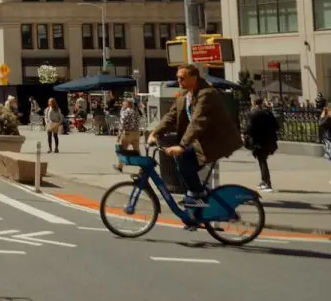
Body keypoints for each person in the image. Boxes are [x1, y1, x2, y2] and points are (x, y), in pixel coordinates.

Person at [149, 65, 241, 207]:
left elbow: (198, 122)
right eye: (178, 77)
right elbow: (171, 116)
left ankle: (198, 195)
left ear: (194, 78)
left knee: (183, 158)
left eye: (182, 78)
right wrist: (155, 133)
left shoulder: (207, 94)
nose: (179, 81)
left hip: (215, 141)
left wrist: (181, 145)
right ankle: (193, 203)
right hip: (200, 140)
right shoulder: (186, 95)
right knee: (181, 165)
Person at [243, 97, 279, 192]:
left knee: (262, 161)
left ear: (254, 103)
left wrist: (245, 135)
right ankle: (264, 181)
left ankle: (267, 183)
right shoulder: (268, 113)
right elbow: (276, 126)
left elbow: (248, 128)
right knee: (262, 160)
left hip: (258, 142)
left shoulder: (253, 114)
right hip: (269, 141)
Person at [114, 98, 142, 172]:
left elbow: (122, 124)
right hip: (136, 133)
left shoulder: (126, 111)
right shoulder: (136, 111)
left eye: (124, 102)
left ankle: (120, 166)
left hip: (127, 133)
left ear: (127, 103)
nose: (123, 104)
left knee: (122, 150)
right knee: (137, 151)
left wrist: (119, 135)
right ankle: (142, 167)